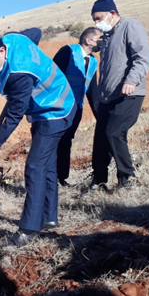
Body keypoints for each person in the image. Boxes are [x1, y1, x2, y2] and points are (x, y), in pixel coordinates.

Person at [0, 29, 76, 245]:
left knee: (35, 166)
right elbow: (35, 32)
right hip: (52, 104)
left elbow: (14, 115)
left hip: (54, 110)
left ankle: (29, 229)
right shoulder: (14, 38)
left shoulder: (18, 76)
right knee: (46, 164)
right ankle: (49, 218)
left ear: (1, 50)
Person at [90, 0, 149, 191]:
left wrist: (131, 81)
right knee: (100, 139)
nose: (97, 23)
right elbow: (107, 70)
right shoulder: (107, 37)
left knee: (114, 133)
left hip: (129, 93)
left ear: (112, 14)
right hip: (108, 97)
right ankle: (98, 182)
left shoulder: (131, 26)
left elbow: (143, 57)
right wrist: (100, 96)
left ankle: (127, 179)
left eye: (99, 18)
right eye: (94, 19)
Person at [53, 27, 102, 187]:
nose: (102, 42)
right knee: (53, 140)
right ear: (89, 40)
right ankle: (48, 176)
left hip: (76, 109)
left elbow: (92, 89)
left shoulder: (93, 61)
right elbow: (52, 76)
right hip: (58, 107)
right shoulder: (68, 51)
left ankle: (61, 178)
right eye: (100, 39)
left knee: (67, 140)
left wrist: (99, 116)